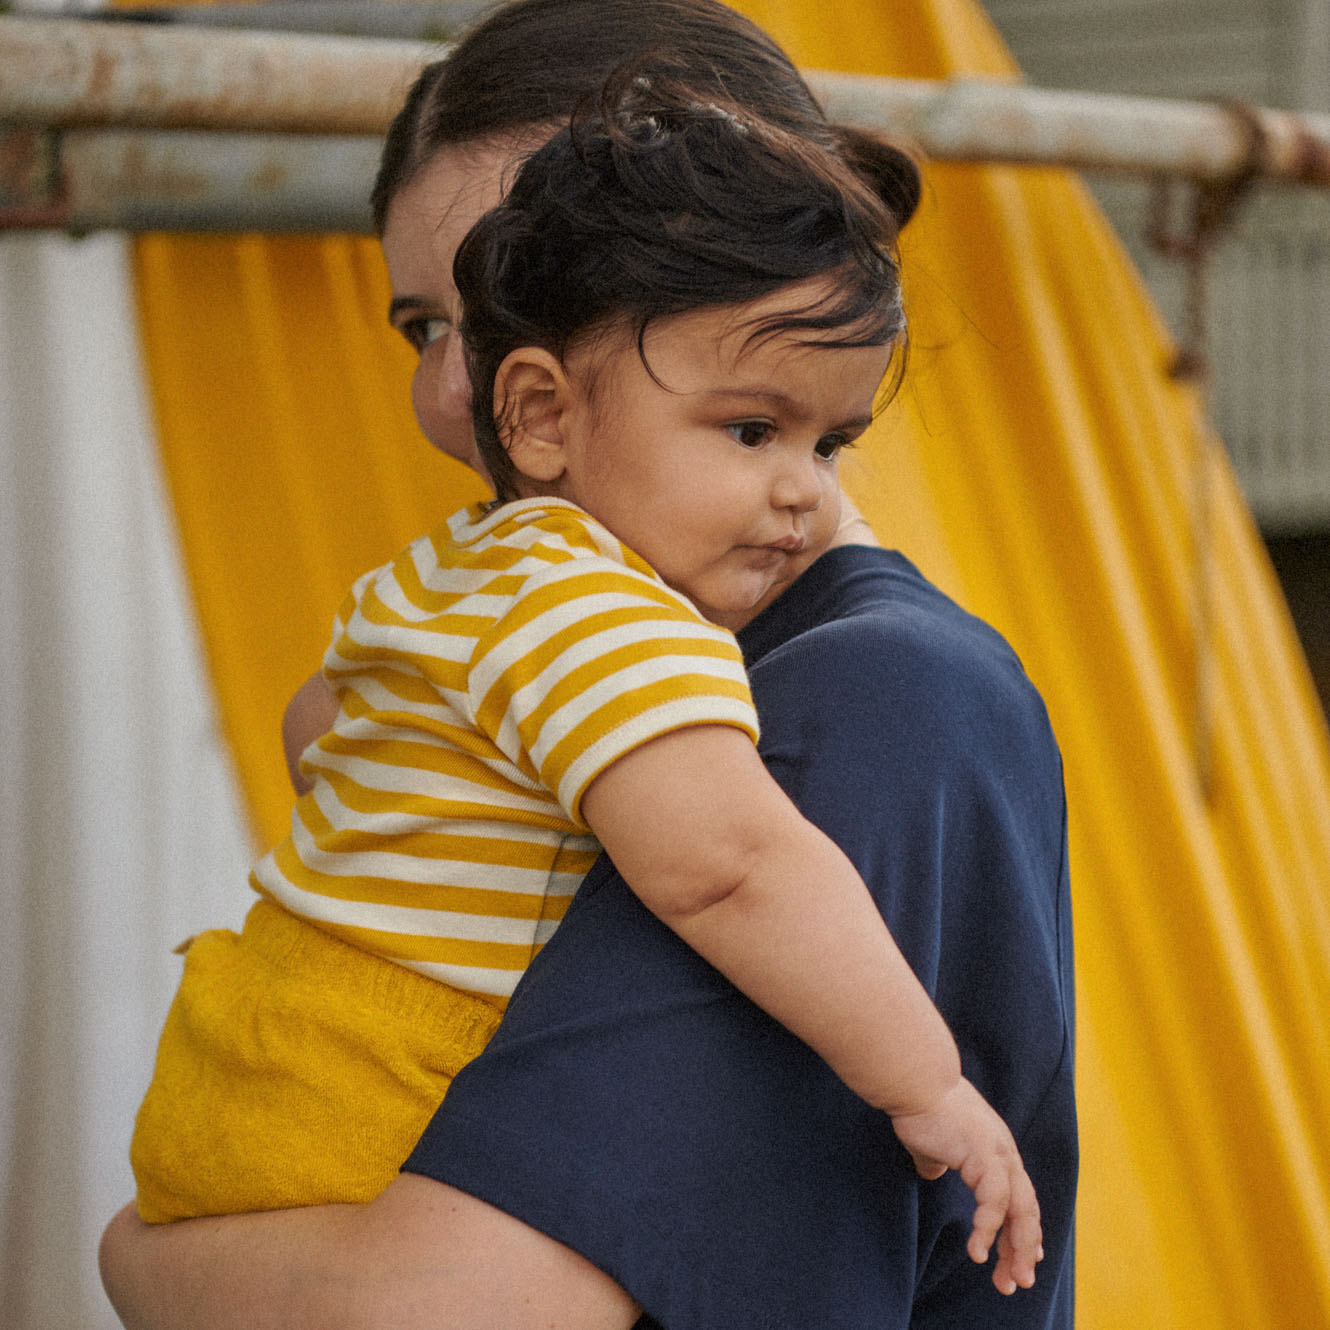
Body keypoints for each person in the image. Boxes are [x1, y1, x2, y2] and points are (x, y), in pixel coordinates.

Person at [100, 3, 1077, 1328]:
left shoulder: (853, 702)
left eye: (518, 291)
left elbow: (415, 1312)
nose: (460, 391)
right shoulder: (559, 608)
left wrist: (138, 1257)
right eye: (421, 325)